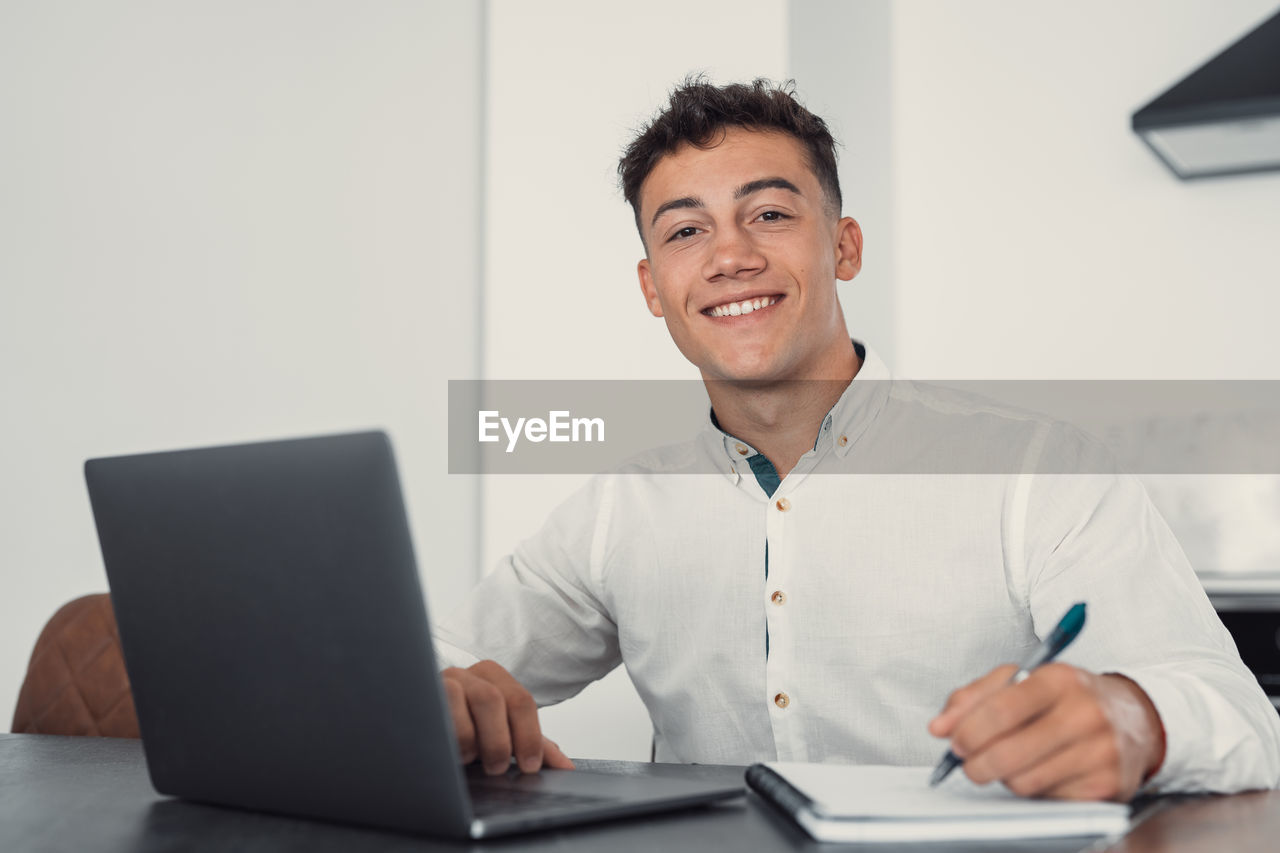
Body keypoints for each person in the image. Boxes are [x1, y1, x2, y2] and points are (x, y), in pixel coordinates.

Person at [433, 78, 1280, 800]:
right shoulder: (618, 509)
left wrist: (1136, 720)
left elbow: (1243, 720)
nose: (729, 255)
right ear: (655, 288)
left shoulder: (1035, 471)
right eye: (686, 230)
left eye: (767, 213)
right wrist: (434, 696)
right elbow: (441, 669)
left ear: (845, 247)